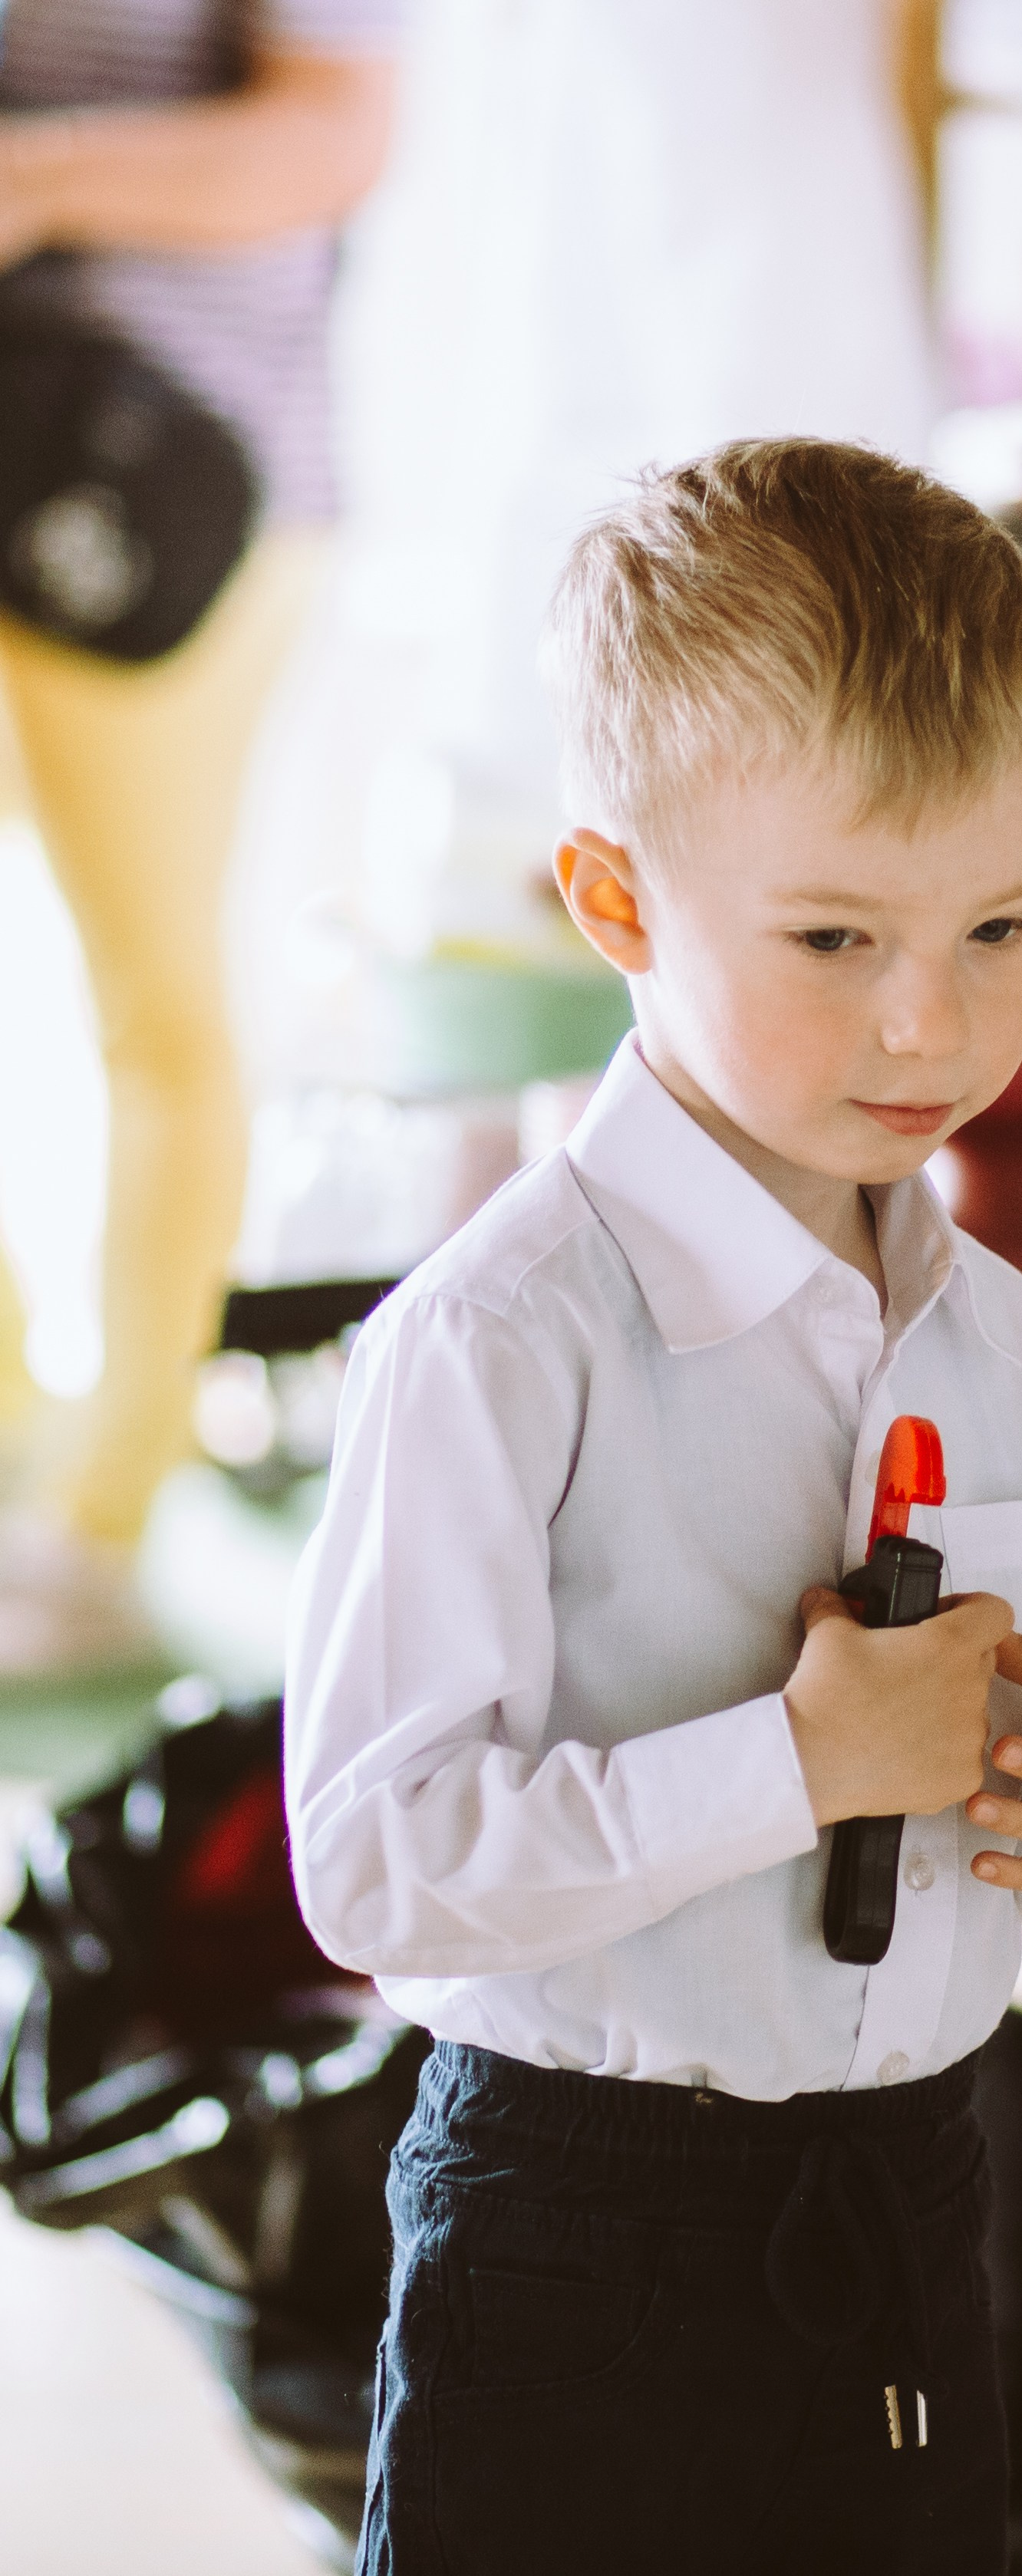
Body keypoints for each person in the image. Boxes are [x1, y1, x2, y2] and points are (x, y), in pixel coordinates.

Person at [285, 441, 1022, 2576]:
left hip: (913, 2205)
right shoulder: (501, 1337)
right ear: (617, 900)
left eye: (1004, 925)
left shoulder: (1013, 1350)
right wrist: (792, 1763)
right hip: (574, 2237)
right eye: (838, 933)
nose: (934, 1015)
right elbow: (376, 1864)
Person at [0, 0, 401, 1675]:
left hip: (164, 473)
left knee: (152, 1006)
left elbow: (339, 131)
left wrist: (37, 178)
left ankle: (98, 1519)